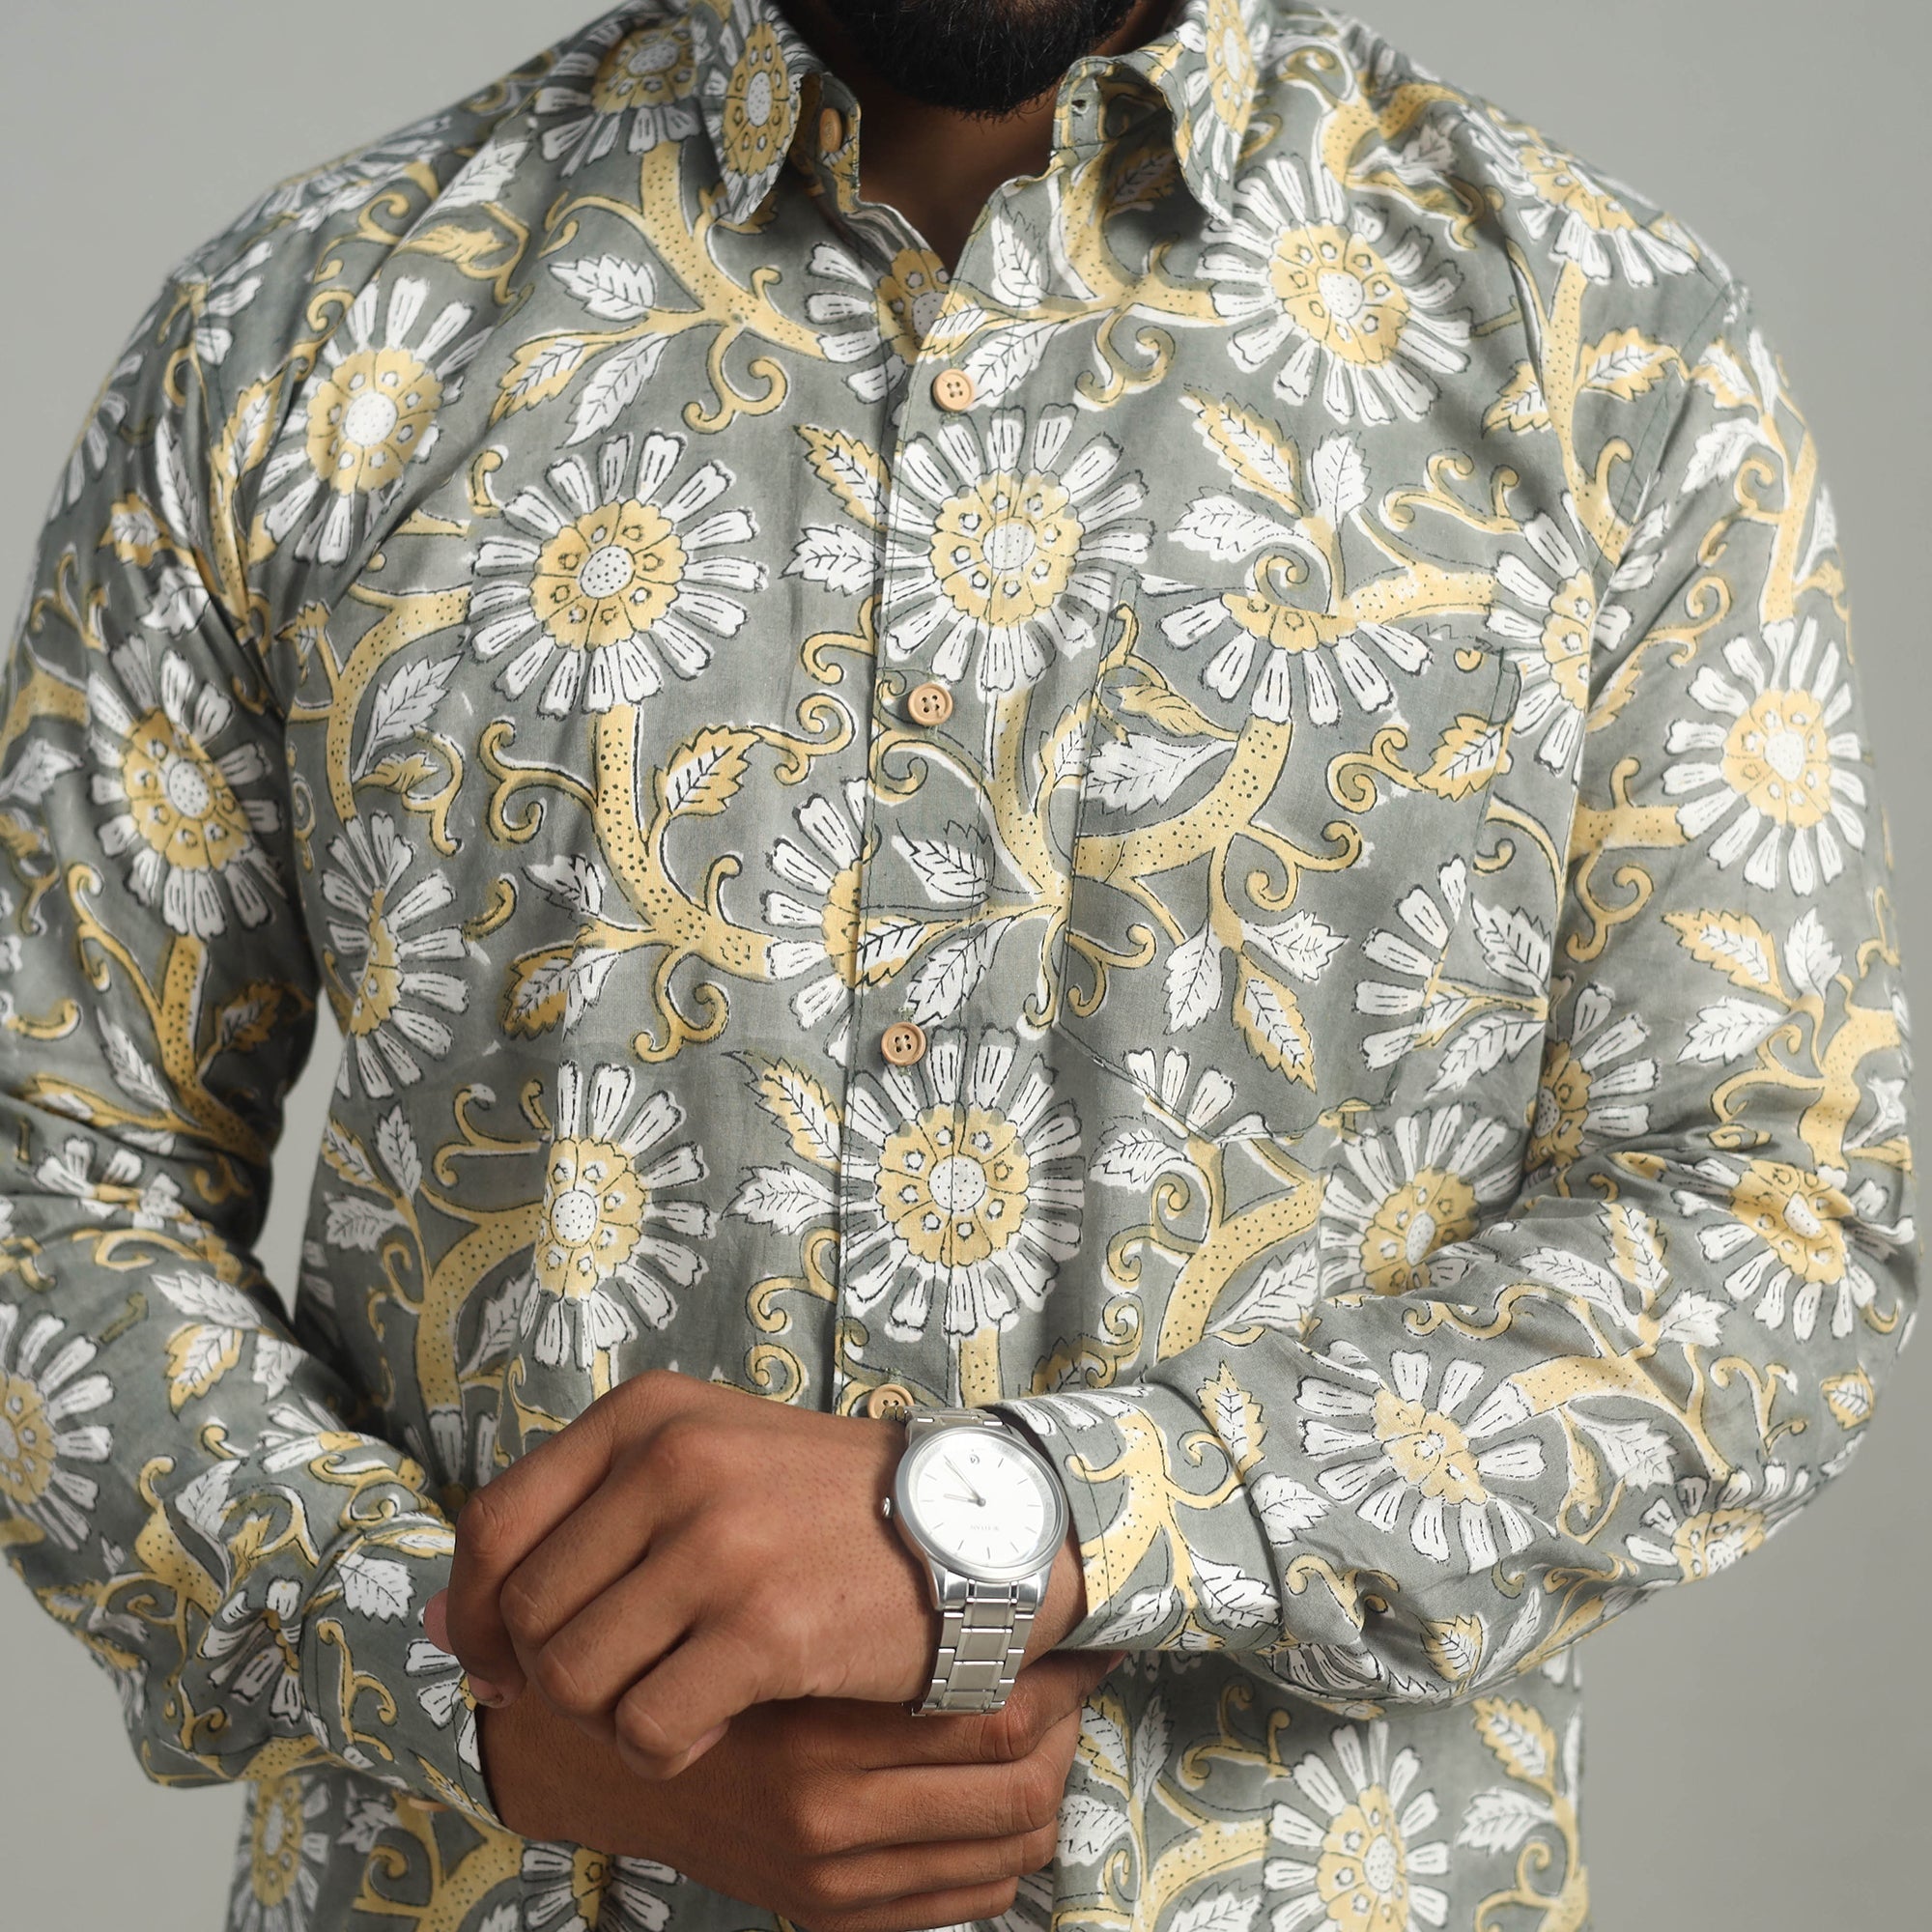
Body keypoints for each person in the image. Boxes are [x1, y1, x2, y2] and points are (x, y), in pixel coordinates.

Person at [0, 1, 1915, 1928]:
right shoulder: (307, 332)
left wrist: (1038, 1520)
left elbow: (1777, 1214)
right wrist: (488, 1698)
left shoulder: (1610, 346)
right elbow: (49, 1178)